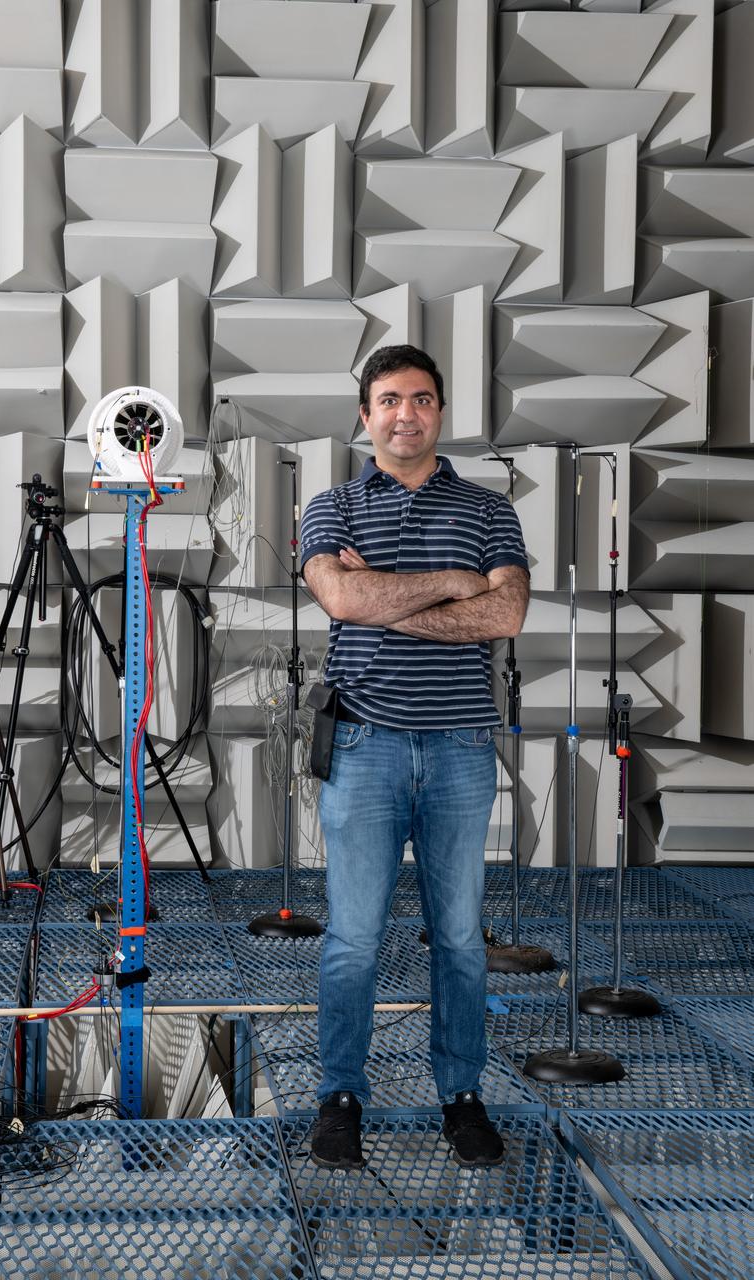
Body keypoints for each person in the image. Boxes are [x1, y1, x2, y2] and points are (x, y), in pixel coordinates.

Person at [299, 344, 530, 1170]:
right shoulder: (331, 505)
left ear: (440, 411)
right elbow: (339, 597)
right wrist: (454, 583)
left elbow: (504, 618)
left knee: (461, 940)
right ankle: (340, 1097)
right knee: (353, 939)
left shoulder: (488, 509)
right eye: (388, 399)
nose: (406, 413)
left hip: (462, 748)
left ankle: (461, 1096)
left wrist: (386, 599)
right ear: (364, 415)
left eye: (422, 399)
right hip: (364, 745)